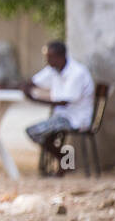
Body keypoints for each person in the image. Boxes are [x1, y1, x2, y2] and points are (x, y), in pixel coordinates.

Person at [21, 40, 95, 168]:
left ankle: (66, 161)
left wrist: (35, 99)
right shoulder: (53, 69)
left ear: (60, 56)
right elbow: (33, 82)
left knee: (36, 132)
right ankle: (66, 162)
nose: (47, 60)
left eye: (50, 57)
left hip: (76, 118)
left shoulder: (77, 73)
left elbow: (64, 102)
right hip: (60, 116)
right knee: (43, 135)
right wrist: (24, 87)